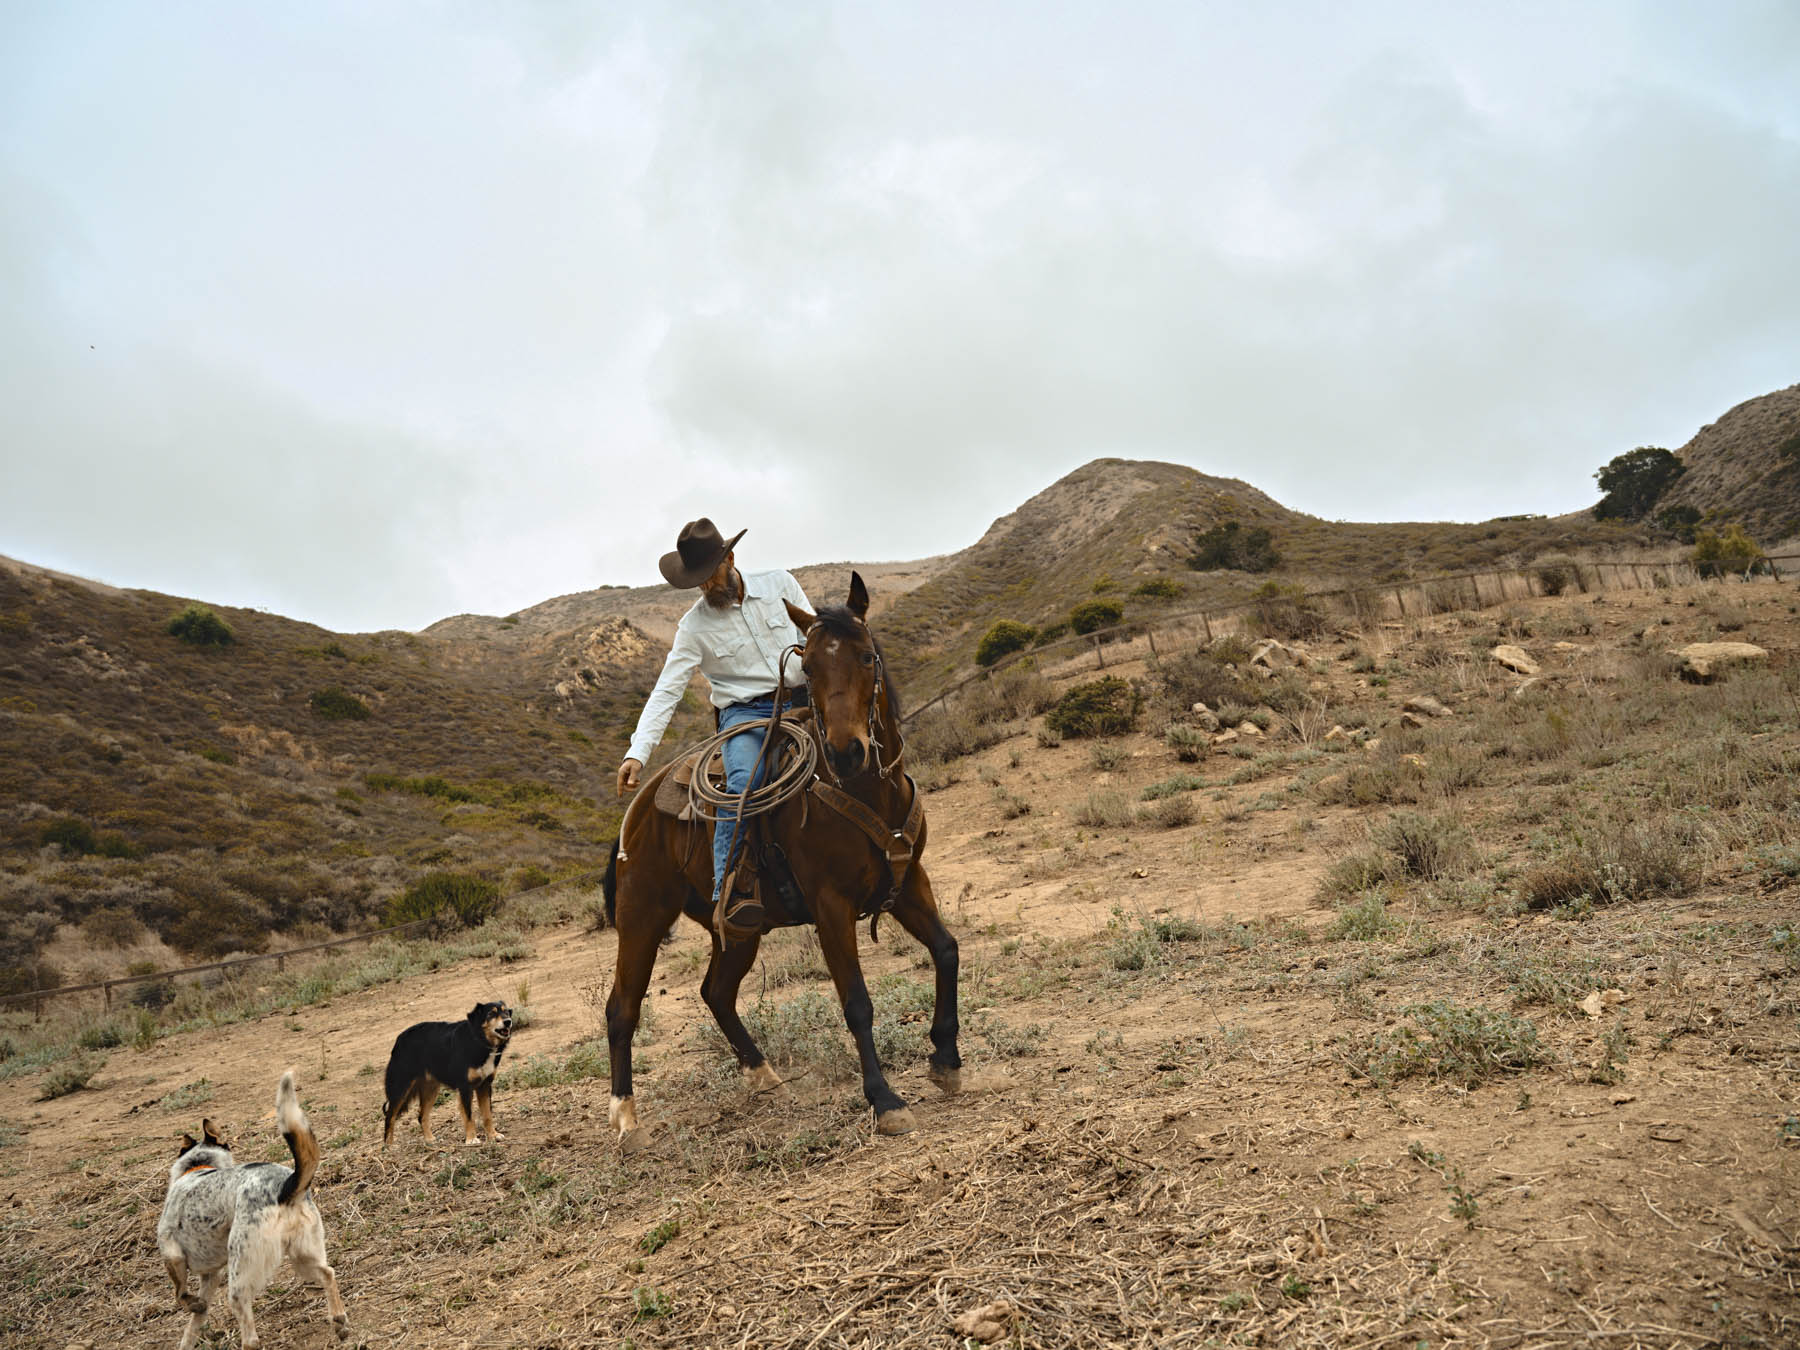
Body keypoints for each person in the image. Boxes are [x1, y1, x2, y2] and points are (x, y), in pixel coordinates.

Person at [616, 518, 812, 936]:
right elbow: (667, 691)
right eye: (698, 581)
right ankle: (731, 888)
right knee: (741, 782)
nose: (705, 587)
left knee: (857, 751)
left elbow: (812, 636)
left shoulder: (780, 584)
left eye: (710, 576)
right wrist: (638, 752)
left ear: (731, 559)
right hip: (746, 716)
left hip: (805, 700)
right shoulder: (694, 627)